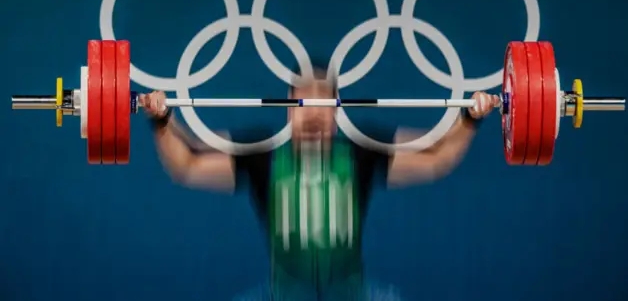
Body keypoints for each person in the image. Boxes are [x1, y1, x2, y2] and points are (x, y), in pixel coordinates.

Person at [139, 59, 499, 301]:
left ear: (337, 109)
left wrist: (470, 117)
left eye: (323, 103)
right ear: (287, 106)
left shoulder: (361, 150)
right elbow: (185, 163)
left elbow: (437, 156)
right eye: (303, 102)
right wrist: (161, 119)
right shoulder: (261, 153)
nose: (313, 113)